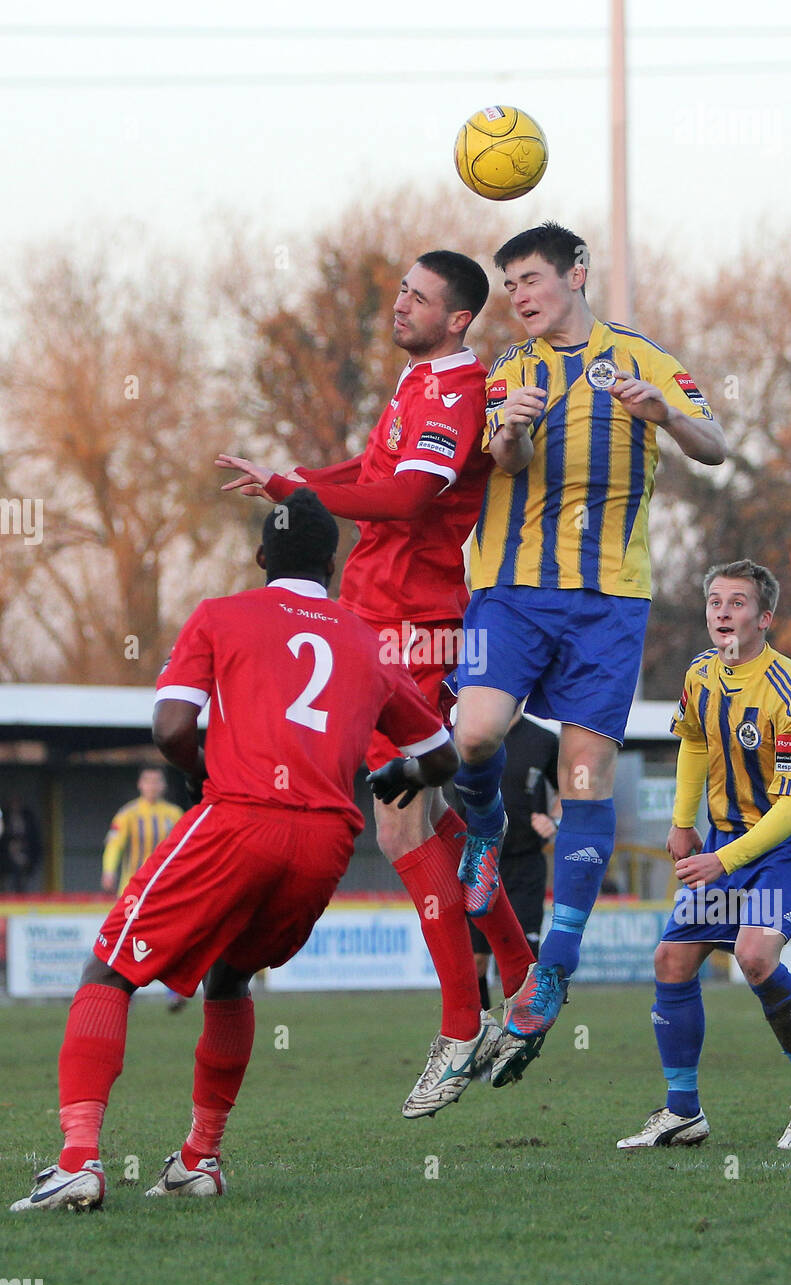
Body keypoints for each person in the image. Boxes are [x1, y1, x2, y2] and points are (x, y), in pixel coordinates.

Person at [10, 493, 459, 1213]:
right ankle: (200, 1158)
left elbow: (169, 726)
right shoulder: (366, 641)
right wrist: (398, 773)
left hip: (242, 817)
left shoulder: (221, 615)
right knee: (230, 978)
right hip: (325, 843)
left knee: (110, 968)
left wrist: (202, 769)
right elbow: (440, 758)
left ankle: (77, 1162)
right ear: (333, 564)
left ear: (260, 559)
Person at [216, 250, 536, 1116]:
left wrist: (298, 487)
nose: (400, 304)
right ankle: (521, 970)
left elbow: (400, 500)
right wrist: (289, 482)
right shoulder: (416, 381)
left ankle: (462, 1023)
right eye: (400, 289)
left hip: (414, 630)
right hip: (378, 625)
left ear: (460, 319)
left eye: (419, 298)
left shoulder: (456, 394)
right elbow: (362, 480)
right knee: (434, 821)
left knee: (399, 828)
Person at [451, 221, 727, 1081]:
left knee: (584, 779)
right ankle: (487, 828)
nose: (520, 296)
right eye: (509, 285)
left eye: (530, 278)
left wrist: (666, 415)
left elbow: (716, 448)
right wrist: (515, 432)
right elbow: (503, 459)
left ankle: (552, 971)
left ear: (575, 273)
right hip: (513, 588)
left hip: (609, 599)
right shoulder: (508, 371)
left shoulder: (642, 357)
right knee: (475, 738)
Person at [618, 560, 791, 1151]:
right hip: (724, 838)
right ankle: (683, 1111)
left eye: (737, 602)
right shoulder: (699, 675)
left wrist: (724, 861)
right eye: (715, 601)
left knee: (754, 955)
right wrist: (681, 822)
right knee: (671, 961)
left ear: (765, 618)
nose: (722, 611)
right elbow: (692, 740)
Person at [468, 706, 560, 1008]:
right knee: (475, 959)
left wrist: (553, 820)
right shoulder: (465, 733)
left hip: (524, 863)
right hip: (476, 862)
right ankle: (478, 1034)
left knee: (522, 961)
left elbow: (571, 789)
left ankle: (517, 1035)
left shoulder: (544, 739)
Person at [101, 766, 185, 1010]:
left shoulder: (174, 814)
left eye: (157, 781)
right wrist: (108, 870)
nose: (152, 786)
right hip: (133, 891)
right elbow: (114, 845)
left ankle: (174, 994)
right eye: (148, 781)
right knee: (127, 941)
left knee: (171, 941)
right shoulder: (128, 814)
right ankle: (125, 995)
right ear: (140, 784)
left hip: (165, 890)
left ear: (163, 786)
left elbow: (185, 849)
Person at [0, 794, 42, 892]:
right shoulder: (4, 817)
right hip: (5, 854)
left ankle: (20, 892)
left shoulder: (28, 818)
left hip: (25, 854)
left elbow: (35, 841)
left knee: (21, 867)